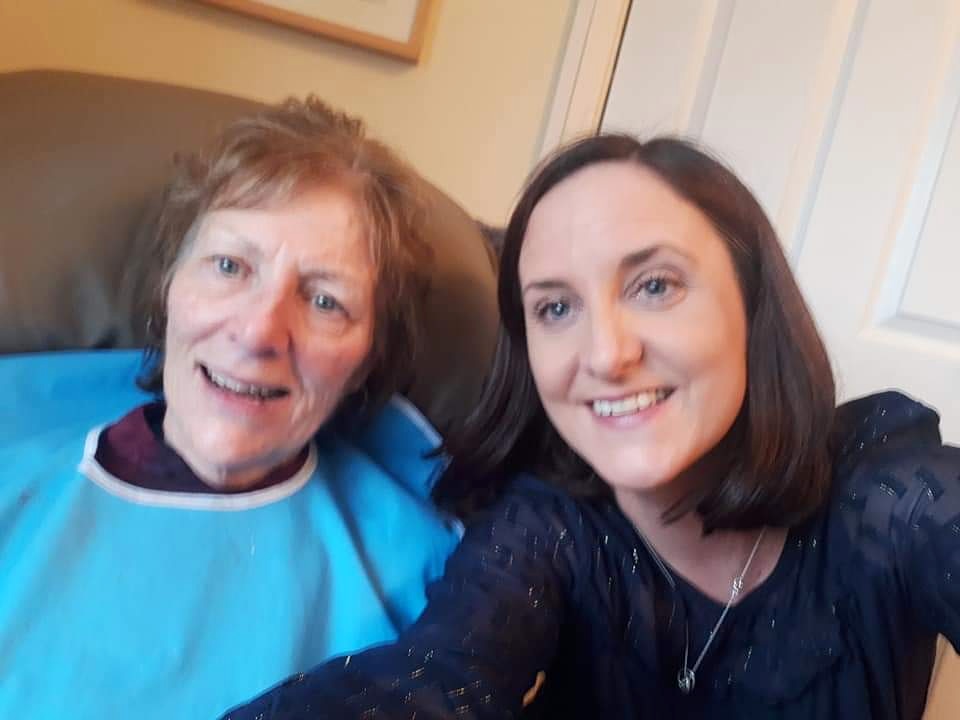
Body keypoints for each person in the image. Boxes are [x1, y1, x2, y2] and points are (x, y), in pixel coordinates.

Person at [221, 134, 960, 719]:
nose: (606, 354)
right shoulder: (547, 530)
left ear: (753, 303)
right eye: (555, 308)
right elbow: (434, 680)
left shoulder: (893, 499)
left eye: (655, 285)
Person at [0, 98, 462, 719]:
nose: (258, 331)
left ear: (367, 360)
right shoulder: (15, 478)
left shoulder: (434, 584)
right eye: (229, 267)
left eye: (325, 301)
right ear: (169, 288)